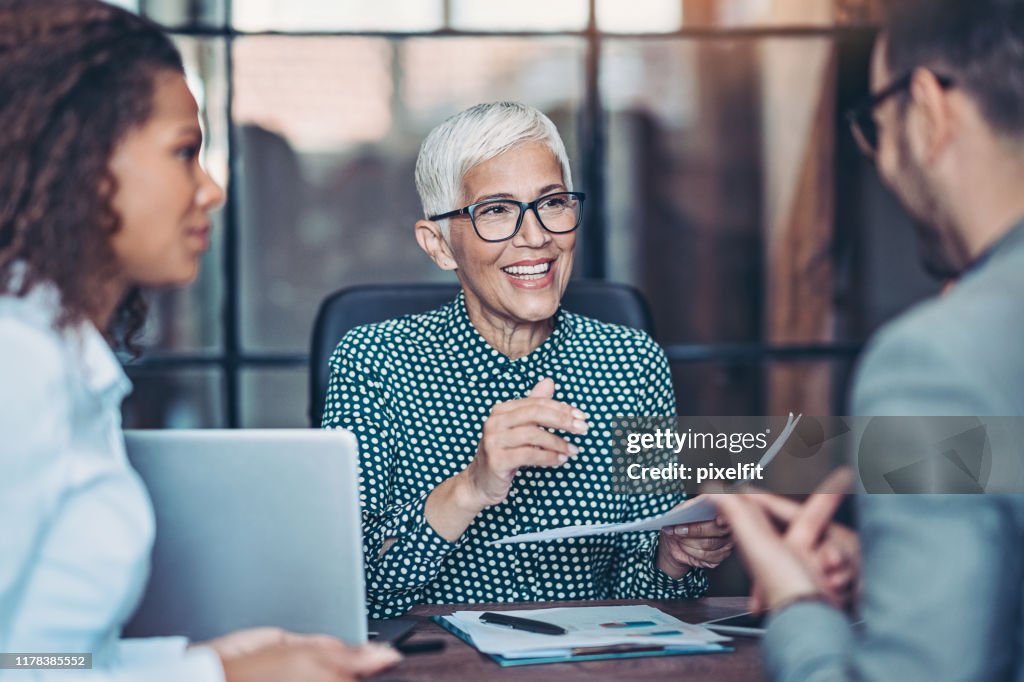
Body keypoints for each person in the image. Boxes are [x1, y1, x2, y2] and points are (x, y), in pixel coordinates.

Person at [0, 2, 400, 680]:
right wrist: (223, 677)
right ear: (80, 161)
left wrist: (202, 656)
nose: (210, 189)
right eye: (185, 152)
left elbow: (36, 658)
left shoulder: (65, 356)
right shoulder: (21, 361)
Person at [321, 101, 733, 619]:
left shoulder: (633, 362)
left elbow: (648, 591)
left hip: (591, 664)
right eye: (495, 210)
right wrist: (470, 487)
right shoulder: (374, 362)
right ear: (440, 245)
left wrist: (673, 559)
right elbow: (353, 590)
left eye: (553, 203)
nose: (536, 236)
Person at [714, 0, 1024, 679]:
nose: (883, 162)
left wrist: (797, 604)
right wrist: (900, 556)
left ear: (927, 110)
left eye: (875, 129)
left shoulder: (938, 359)